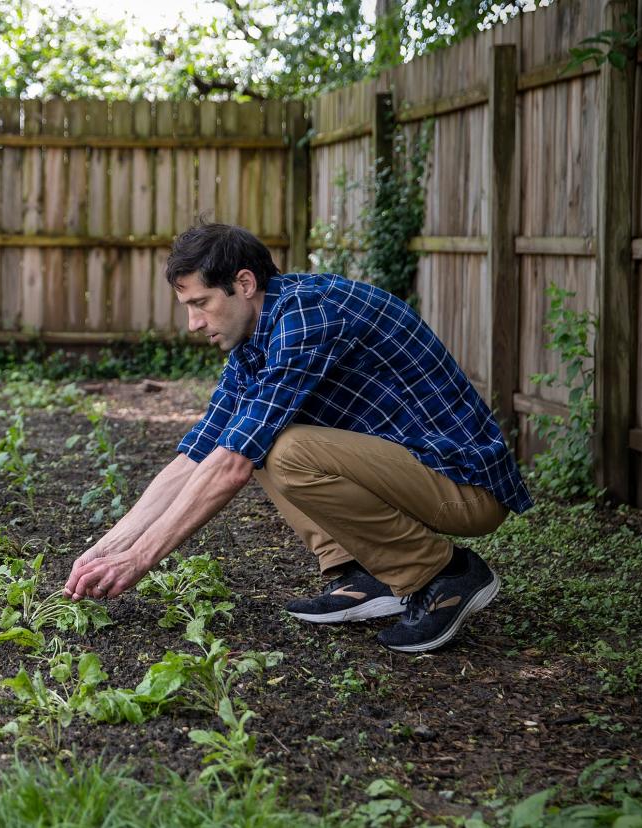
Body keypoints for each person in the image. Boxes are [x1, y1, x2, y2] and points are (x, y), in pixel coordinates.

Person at [63, 222, 533, 653]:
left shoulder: (306, 317)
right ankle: (363, 571)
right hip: (410, 474)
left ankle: (443, 573)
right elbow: (200, 454)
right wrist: (109, 547)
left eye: (201, 304)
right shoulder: (257, 337)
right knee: (250, 437)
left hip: (464, 487)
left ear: (244, 284)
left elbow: (230, 468)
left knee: (282, 451)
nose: (194, 324)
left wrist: (140, 561)